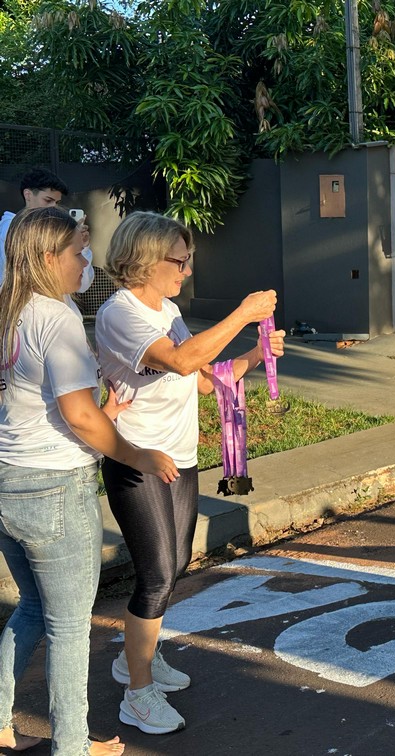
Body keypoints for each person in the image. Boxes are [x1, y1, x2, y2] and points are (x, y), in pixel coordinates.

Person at [95, 211, 285, 735]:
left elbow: (203, 379)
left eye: (188, 259)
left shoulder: (169, 310)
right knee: (155, 575)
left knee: (175, 564)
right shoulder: (121, 314)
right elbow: (179, 361)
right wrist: (244, 314)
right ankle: (136, 694)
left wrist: (255, 352)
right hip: (137, 457)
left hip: (179, 455)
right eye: (179, 260)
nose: (186, 269)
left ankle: (135, 659)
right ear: (146, 259)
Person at [0, 207, 179, 754]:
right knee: (71, 627)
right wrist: (138, 456)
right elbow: (79, 415)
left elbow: (40, 403)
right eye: (79, 251)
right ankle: (73, 746)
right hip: (56, 487)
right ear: (50, 258)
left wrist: (106, 415)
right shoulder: (57, 317)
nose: (88, 261)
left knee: (32, 608)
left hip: (9, 479)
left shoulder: (11, 310)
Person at [1, 169, 95, 297]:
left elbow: (82, 285)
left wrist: (80, 246)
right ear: (28, 195)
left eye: (56, 202)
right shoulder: (11, 230)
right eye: (47, 200)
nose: (53, 207)